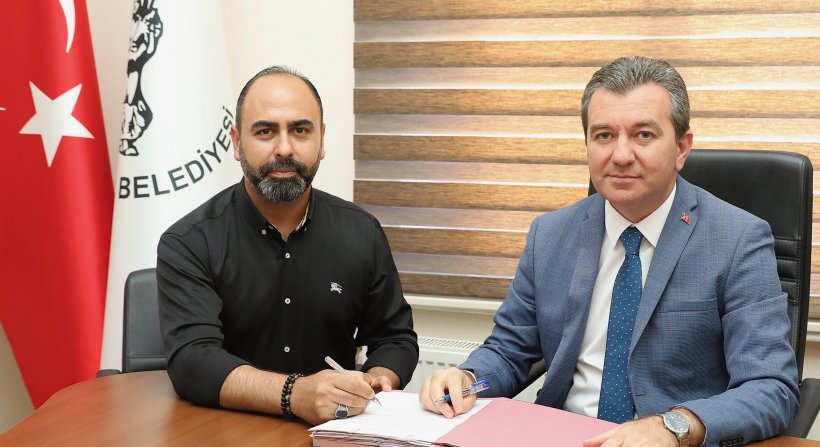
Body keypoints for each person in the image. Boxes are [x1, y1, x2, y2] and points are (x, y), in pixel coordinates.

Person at [419, 56, 799, 446]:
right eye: (603, 135)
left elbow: (770, 387)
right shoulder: (550, 234)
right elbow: (508, 351)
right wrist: (466, 378)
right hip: (560, 436)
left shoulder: (737, 239)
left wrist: (675, 426)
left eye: (643, 135)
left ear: (681, 148)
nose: (620, 155)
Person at [157, 66, 418, 425]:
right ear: (236, 142)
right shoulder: (189, 242)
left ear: (321, 141)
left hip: (334, 431)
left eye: (300, 130)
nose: (284, 148)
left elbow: (395, 338)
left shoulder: (362, 232)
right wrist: (295, 394)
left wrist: (377, 379)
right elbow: (192, 361)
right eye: (265, 131)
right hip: (223, 430)